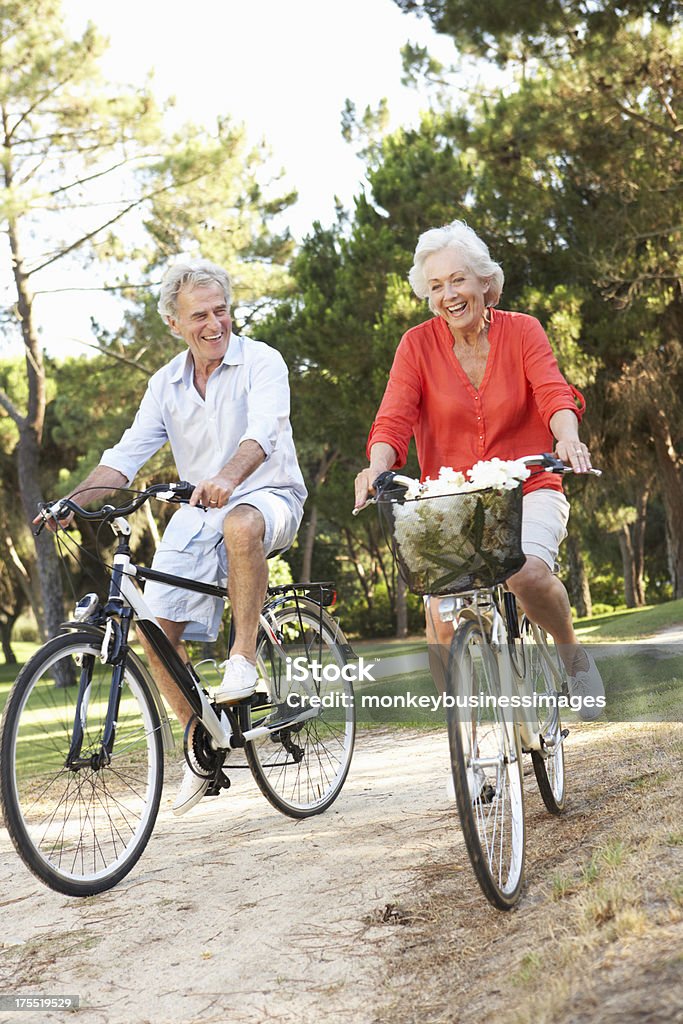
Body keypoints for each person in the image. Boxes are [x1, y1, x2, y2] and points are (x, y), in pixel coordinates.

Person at [41, 259, 307, 814]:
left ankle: (242, 660)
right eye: (200, 316)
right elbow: (126, 456)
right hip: (195, 513)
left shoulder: (263, 361)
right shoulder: (164, 383)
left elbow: (264, 432)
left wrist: (228, 479)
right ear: (173, 324)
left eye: (221, 311)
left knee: (239, 521)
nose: (215, 324)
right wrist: (75, 500)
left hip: (269, 496)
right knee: (154, 632)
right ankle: (199, 745)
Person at [354, 220, 604, 720]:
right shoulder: (416, 346)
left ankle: (571, 655)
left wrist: (567, 436)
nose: (449, 294)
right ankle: (463, 737)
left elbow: (553, 391)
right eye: (436, 286)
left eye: (459, 280)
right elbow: (393, 419)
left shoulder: (522, 330)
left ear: (485, 282)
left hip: (527, 484)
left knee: (527, 573)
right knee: (440, 618)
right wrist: (374, 468)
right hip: (451, 500)